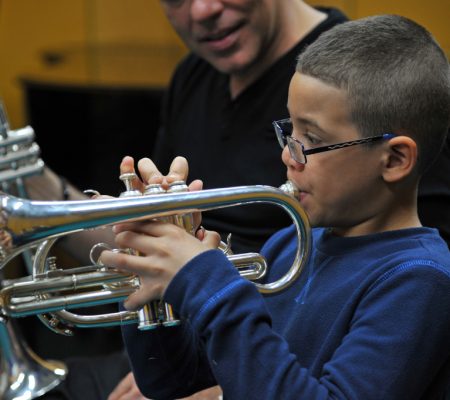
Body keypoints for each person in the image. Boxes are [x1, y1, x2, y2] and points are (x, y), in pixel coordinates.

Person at [100, 14, 450, 399]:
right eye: (289, 131)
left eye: (311, 139)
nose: (288, 155)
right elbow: (177, 383)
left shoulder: (419, 280)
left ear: (394, 160)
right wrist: (154, 279)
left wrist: (205, 281)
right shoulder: (288, 245)